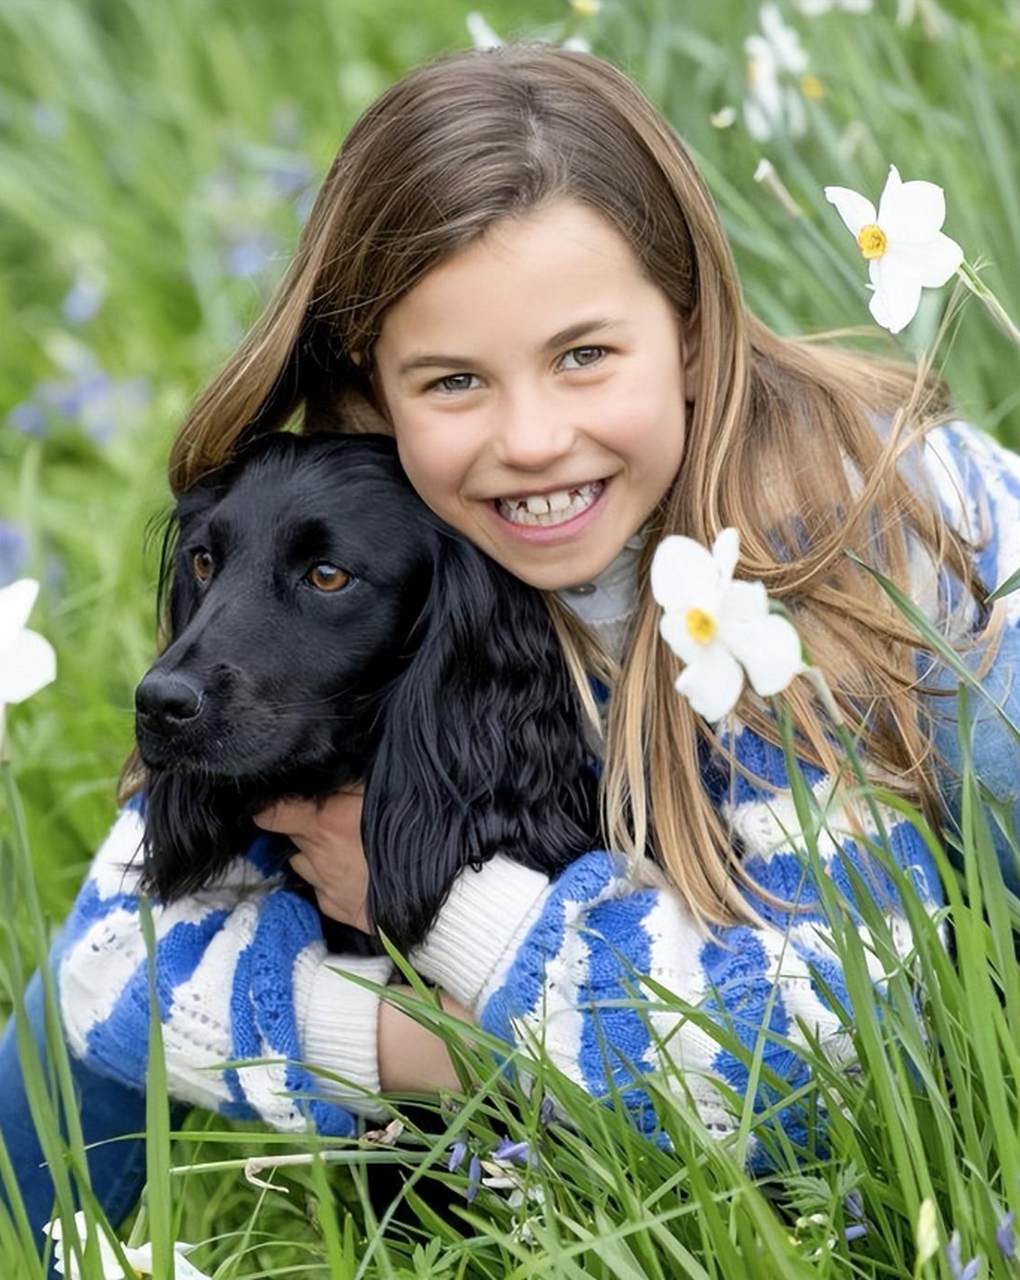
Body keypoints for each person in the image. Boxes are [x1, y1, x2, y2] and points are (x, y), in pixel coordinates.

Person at [3, 40, 1020, 1265]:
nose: (533, 439)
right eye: (454, 379)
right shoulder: (405, 530)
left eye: (584, 353)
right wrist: (411, 1032)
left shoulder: (828, 544)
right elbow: (106, 972)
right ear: (372, 391)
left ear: (692, 338)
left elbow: (806, 1053)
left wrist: (454, 964)